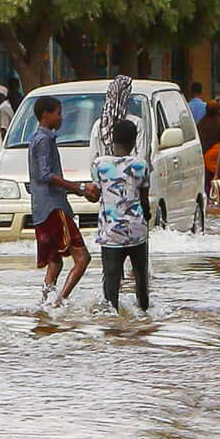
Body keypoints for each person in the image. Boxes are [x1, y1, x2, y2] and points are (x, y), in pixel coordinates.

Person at [89, 78, 152, 312]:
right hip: (136, 230)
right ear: (134, 140)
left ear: (112, 139)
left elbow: (96, 193)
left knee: (111, 281)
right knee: (141, 278)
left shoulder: (100, 164)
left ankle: (113, 321)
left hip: (111, 233)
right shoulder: (140, 165)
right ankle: (144, 313)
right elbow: (144, 199)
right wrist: (147, 217)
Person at [28, 93, 89, 307]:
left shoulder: (39, 138)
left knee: (55, 262)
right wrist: (79, 188)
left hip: (41, 208)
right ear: (46, 115)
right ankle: (59, 302)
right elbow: (46, 175)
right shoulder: (44, 140)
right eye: (59, 113)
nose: (62, 118)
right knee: (82, 259)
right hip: (53, 208)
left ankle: (45, 304)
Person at [199, 92, 220, 209]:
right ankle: (219, 199)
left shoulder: (202, 123)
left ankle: (209, 200)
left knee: (208, 180)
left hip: (207, 156)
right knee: (219, 178)